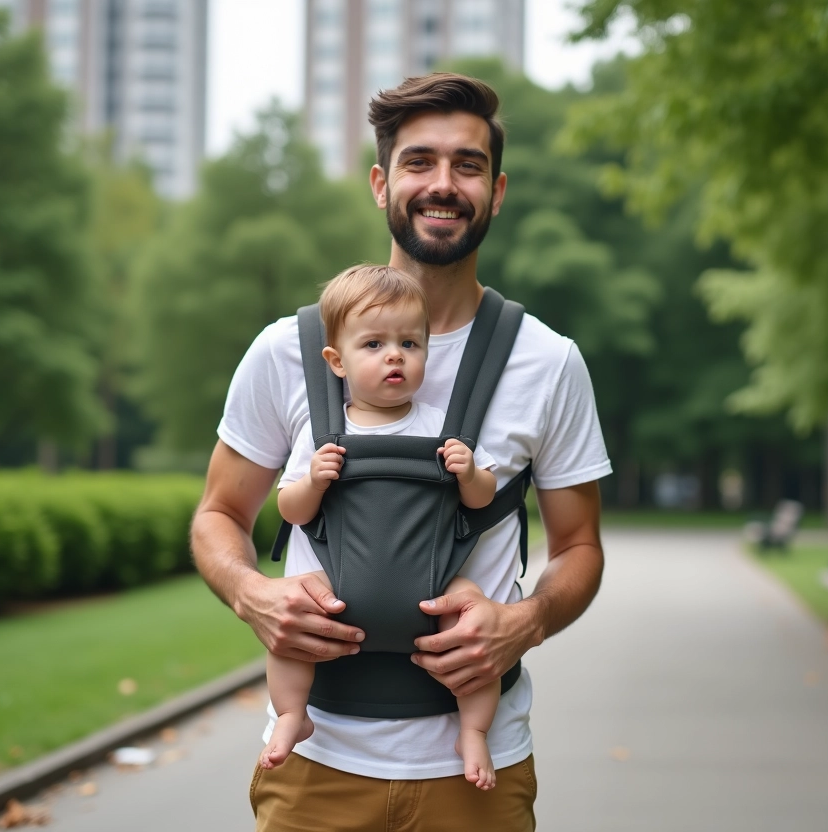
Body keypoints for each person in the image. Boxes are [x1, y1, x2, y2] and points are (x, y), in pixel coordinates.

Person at [193, 72, 610, 831]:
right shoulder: (288, 351)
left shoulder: (547, 362)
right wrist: (252, 594)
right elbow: (218, 514)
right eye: (419, 161)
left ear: (496, 191)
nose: (443, 184)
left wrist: (525, 622)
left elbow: (580, 546)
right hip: (315, 768)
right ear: (381, 183)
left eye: (468, 165)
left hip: (478, 773)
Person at [259, 263, 503, 791]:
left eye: (410, 344)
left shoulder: (443, 426)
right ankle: (292, 714)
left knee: (471, 615)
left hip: (433, 584)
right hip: (338, 581)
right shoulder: (324, 434)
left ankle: (474, 730)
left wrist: (469, 472)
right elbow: (292, 510)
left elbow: (482, 500)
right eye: (374, 344)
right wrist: (314, 481)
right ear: (336, 361)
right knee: (294, 617)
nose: (395, 355)